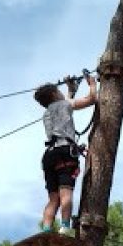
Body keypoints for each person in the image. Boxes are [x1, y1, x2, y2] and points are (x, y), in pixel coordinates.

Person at [34, 72, 98, 234]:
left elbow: (64, 108)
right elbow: (91, 100)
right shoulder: (64, 104)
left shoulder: (47, 113)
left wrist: (71, 89)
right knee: (66, 192)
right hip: (65, 153)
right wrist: (92, 84)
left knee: (53, 199)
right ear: (56, 94)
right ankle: (65, 226)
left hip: (49, 155)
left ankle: (47, 229)